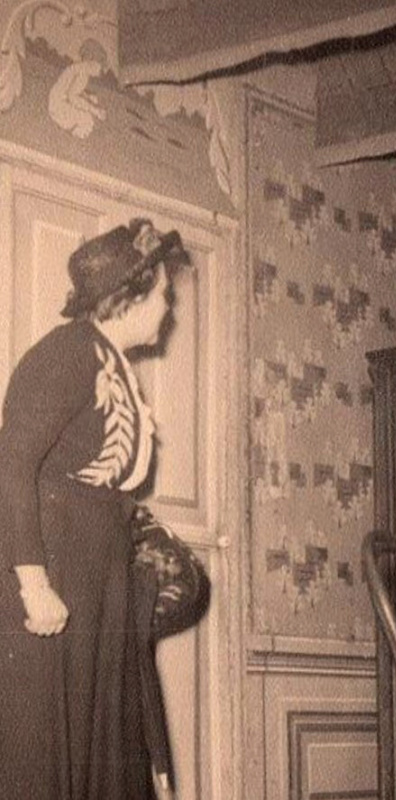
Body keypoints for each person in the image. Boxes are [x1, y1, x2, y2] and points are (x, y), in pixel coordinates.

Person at [0, 218, 191, 799]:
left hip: (97, 583)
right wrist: (34, 585)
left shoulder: (109, 360)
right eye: (163, 293)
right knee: (47, 764)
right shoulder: (68, 352)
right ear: (131, 295)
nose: (168, 308)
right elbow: (12, 463)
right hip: (56, 585)